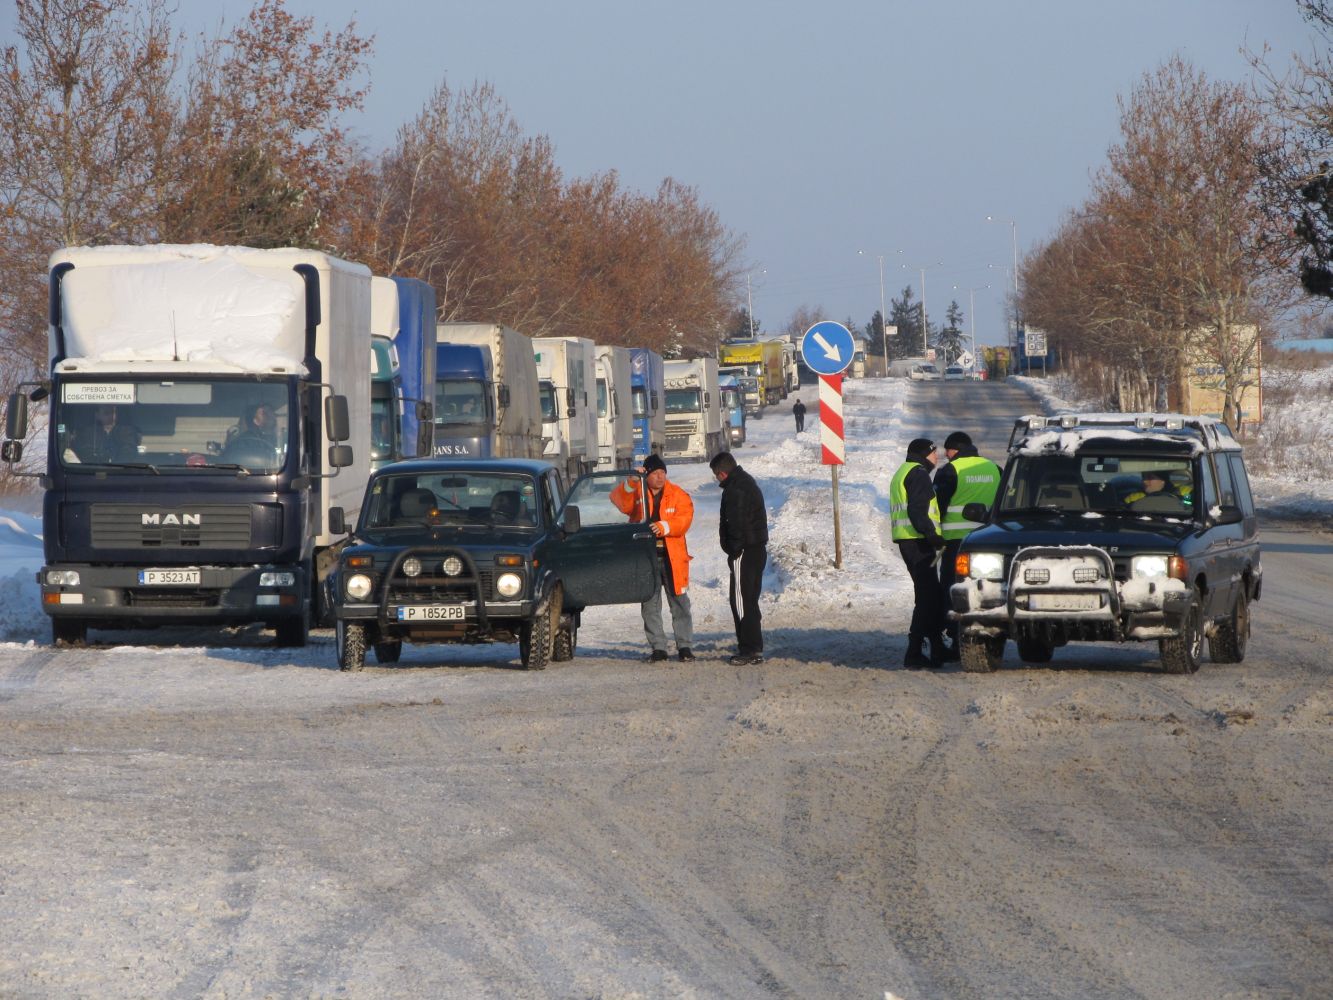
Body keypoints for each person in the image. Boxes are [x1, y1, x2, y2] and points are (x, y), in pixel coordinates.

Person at [610, 453, 695, 662]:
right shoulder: (638, 492)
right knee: (650, 603)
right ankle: (659, 648)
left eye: (662, 472)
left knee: (680, 602)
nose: (660, 477)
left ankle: (685, 647)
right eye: (655, 473)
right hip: (646, 557)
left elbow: (685, 519)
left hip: (671, 557)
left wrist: (666, 526)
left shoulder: (678, 494)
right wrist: (631, 481)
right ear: (646, 475)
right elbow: (619, 502)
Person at [935, 431, 1002, 659]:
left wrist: (934, 534)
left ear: (956, 449)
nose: (945, 454)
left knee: (953, 590)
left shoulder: (951, 470)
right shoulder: (994, 468)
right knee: (984, 589)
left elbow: (938, 506)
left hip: (956, 542)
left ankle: (956, 639)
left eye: (948, 450)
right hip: (988, 540)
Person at [890, 437, 949, 668]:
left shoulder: (904, 471)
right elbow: (917, 510)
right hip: (918, 542)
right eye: (934, 453)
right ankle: (914, 651)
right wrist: (931, 534)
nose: (937, 457)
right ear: (925, 453)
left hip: (910, 541)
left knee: (931, 595)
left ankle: (936, 648)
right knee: (926, 597)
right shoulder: (918, 473)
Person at [710, 451, 768, 665]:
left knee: (741, 601)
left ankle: (749, 649)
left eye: (716, 475)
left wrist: (733, 549)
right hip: (756, 549)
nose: (717, 480)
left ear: (722, 473)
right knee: (750, 599)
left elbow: (735, 524)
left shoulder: (735, 490)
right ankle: (754, 646)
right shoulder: (747, 482)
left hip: (744, 552)